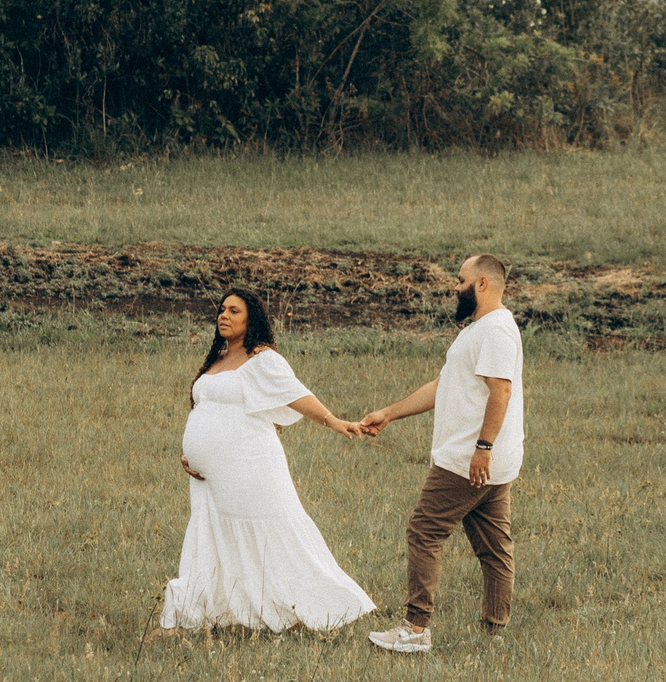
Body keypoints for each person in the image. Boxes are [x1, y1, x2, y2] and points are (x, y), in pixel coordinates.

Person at [159, 291, 377, 634]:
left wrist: (333, 421)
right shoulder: (216, 359)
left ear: (251, 319)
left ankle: (308, 608)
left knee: (272, 533)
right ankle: (220, 611)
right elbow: (205, 410)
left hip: (251, 466)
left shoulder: (262, 358)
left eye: (234, 311)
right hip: (209, 479)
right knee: (215, 537)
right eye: (222, 310)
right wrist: (192, 451)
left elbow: (295, 394)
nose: (224, 315)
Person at [358, 253, 524, 653]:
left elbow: (501, 391)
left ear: (482, 284)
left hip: (468, 461)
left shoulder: (496, 332)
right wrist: (389, 413)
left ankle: (416, 630)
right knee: (494, 546)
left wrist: (482, 449)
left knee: (424, 530)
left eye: (460, 280)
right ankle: (494, 630)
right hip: (488, 461)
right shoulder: (482, 329)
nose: (455, 287)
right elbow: (443, 384)